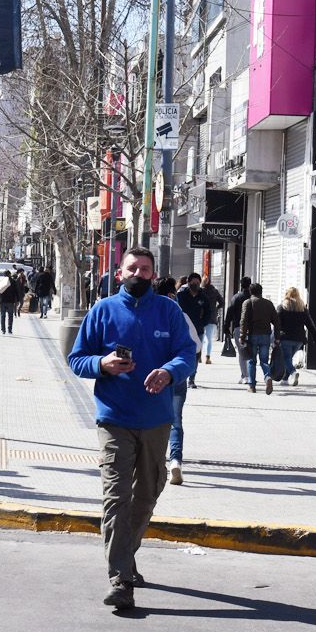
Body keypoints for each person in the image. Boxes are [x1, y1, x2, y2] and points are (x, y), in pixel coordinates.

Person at [67, 246, 196, 610]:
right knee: (116, 495)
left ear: (154, 275)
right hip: (114, 419)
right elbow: (76, 359)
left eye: (145, 269)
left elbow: (187, 354)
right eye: (132, 268)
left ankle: (126, 552)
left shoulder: (169, 311)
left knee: (147, 493)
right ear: (119, 273)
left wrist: (169, 371)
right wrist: (102, 363)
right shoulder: (103, 310)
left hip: (157, 420)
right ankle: (121, 578)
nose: (139, 274)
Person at [154, 276, 202, 486]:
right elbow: (197, 346)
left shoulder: (148, 315)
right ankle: (175, 461)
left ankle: (154, 462)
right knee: (176, 421)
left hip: (151, 377)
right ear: (172, 294)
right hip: (176, 376)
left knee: (151, 421)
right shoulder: (181, 315)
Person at [239, 282, 281, 395]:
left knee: (251, 361)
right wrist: (277, 337)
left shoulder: (247, 302)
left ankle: (252, 386)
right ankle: (267, 378)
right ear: (261, 291)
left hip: (252, 335)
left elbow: (243, 321)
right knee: (264, 361)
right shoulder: (268, 304)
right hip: (265, 336)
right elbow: (276, 321)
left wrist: (242, 336)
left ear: (250, 292)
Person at [276, 287, 316, 387]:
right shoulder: (302, 308)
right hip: (298, 340)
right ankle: (285, 379)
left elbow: (277, 324)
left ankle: (293, 372)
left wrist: (275, 337)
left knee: (286, 358)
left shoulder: (282, 307)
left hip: (285, 338)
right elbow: (310, 324)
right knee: (288, 358)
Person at [176, 273, 211, 389]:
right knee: (181, 353)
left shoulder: (203, 297)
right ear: (188, 282)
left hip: (198, 330)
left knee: (196, 355)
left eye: (197, 282)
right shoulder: (181, 295)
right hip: (182, 329)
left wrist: (202, 323)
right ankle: (182, 377)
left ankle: (192, 379)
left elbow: (208, 313)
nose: (195, 284)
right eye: (193, 282)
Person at [225, 277, 253, 383]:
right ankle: (251, 375)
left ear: (241, 285)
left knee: (242, 352)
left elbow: (229, 311)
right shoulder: (253, 298)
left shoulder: (236, 297)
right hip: (253, 328)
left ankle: (245, 376)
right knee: (251, 352)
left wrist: (226, 326)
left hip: (238, 327)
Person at [200, 276, 223, 364]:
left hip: (201, 317)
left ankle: (199, 357)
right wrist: (216, 308)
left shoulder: (200, 291)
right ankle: (207, 357)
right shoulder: (214, 291)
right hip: (211, 317)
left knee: (200, 338)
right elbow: (222, 302)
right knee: (209, 338)